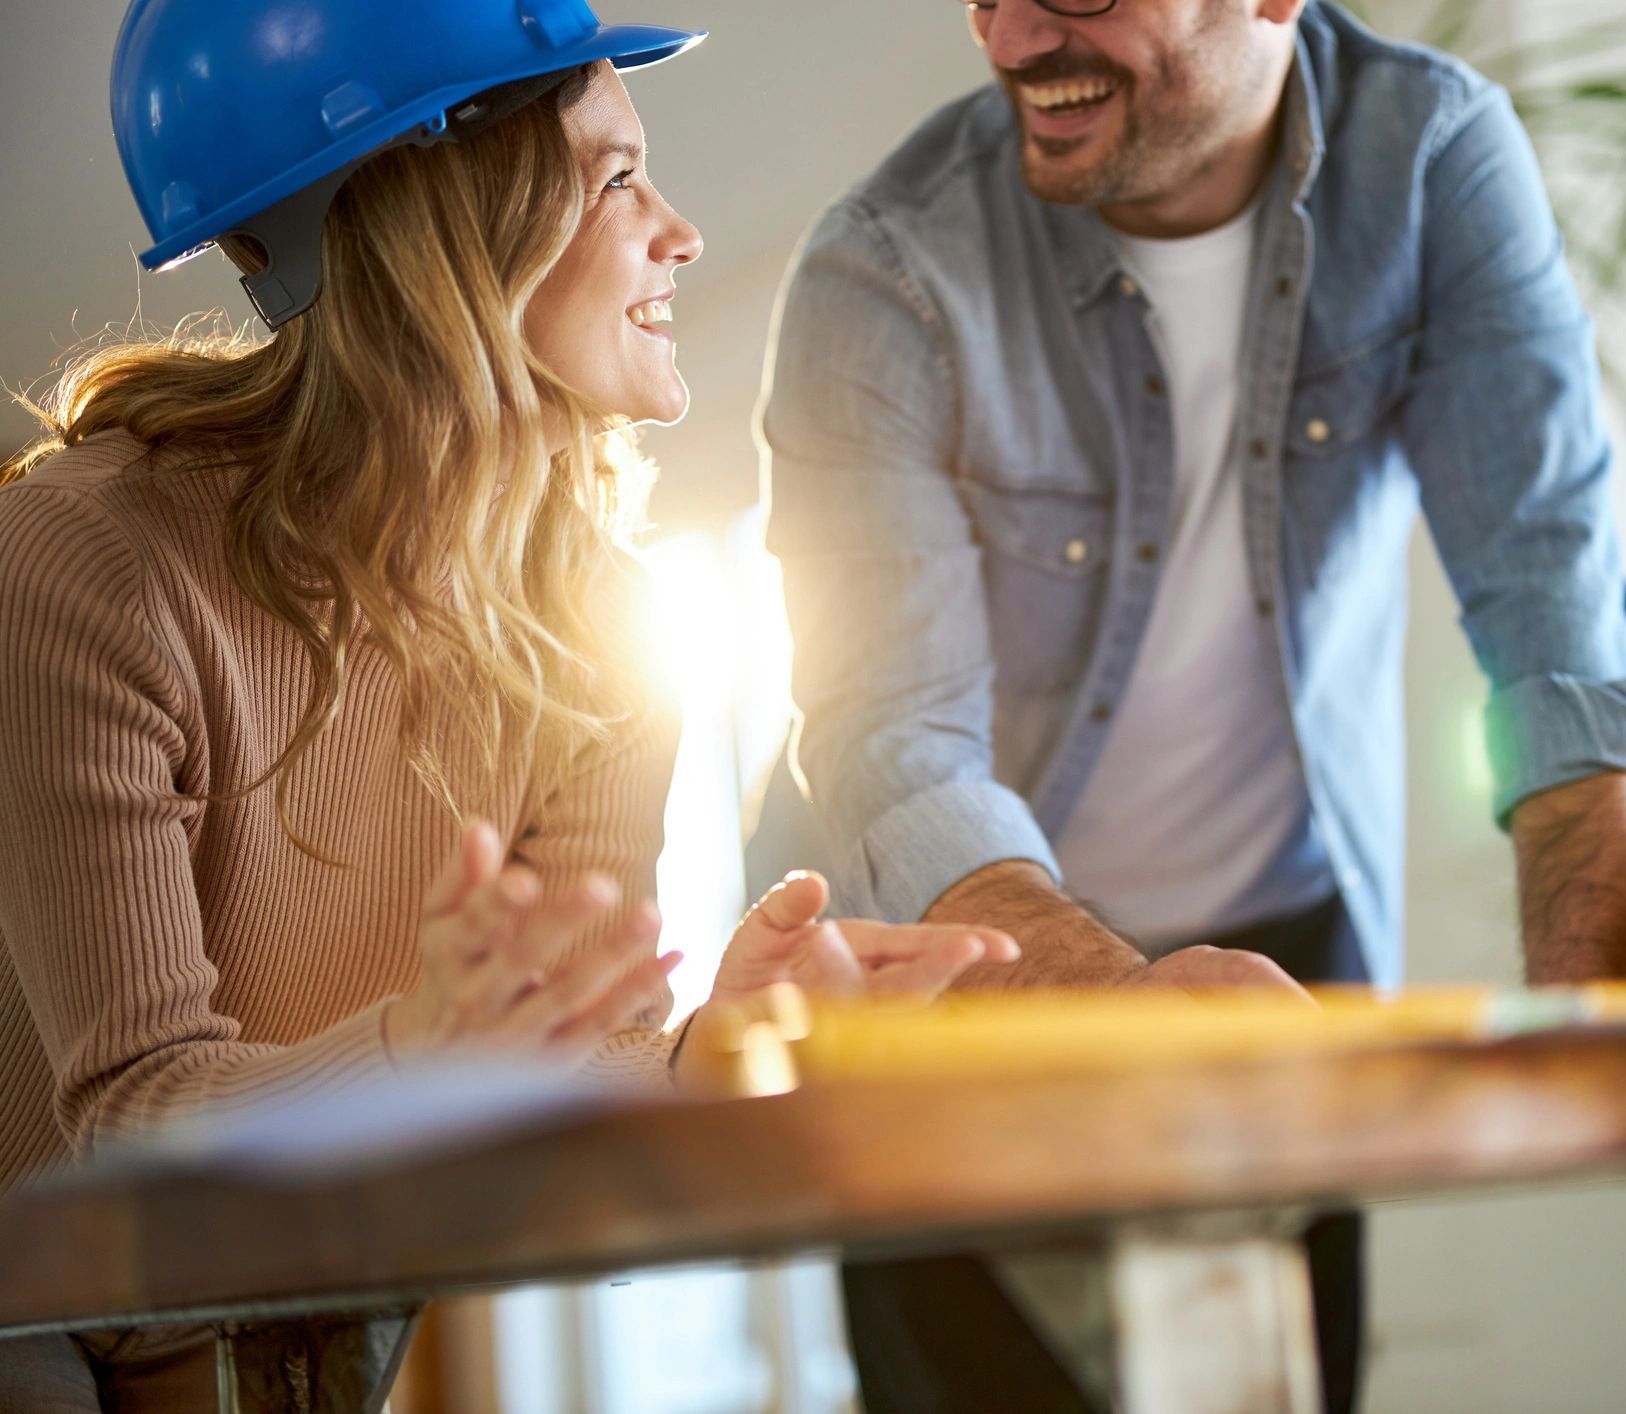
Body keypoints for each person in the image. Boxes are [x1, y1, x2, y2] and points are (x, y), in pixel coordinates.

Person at [0, 2, 1014, 1408]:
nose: (680, 231)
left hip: (329, 1312)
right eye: (613, 177)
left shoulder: (600, 617)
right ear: (446, 223)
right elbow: (130, 1131)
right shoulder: (92, 561)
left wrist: (697, 1059)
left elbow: (547, 1084)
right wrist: (436, 1052)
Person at [754, 0, 1626, 1407]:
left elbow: (1547, 609)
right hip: (941, 992)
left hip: (1278, 960)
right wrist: (1133, 1007)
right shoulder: (881, 272)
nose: (1012, 39)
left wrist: (1593, 1033)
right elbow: (895, 747)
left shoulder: (1429, 158)